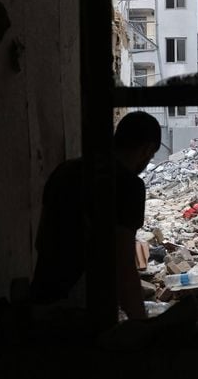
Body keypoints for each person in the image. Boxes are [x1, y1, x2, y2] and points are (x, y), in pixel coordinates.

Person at [29, 111, 161, 320]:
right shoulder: (128, 185)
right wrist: (140, 324)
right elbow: (123, 266)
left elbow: (41, 240)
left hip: (41, 298)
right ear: (147, 149)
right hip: (80, 311)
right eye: (151, 156)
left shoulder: (64, 171)